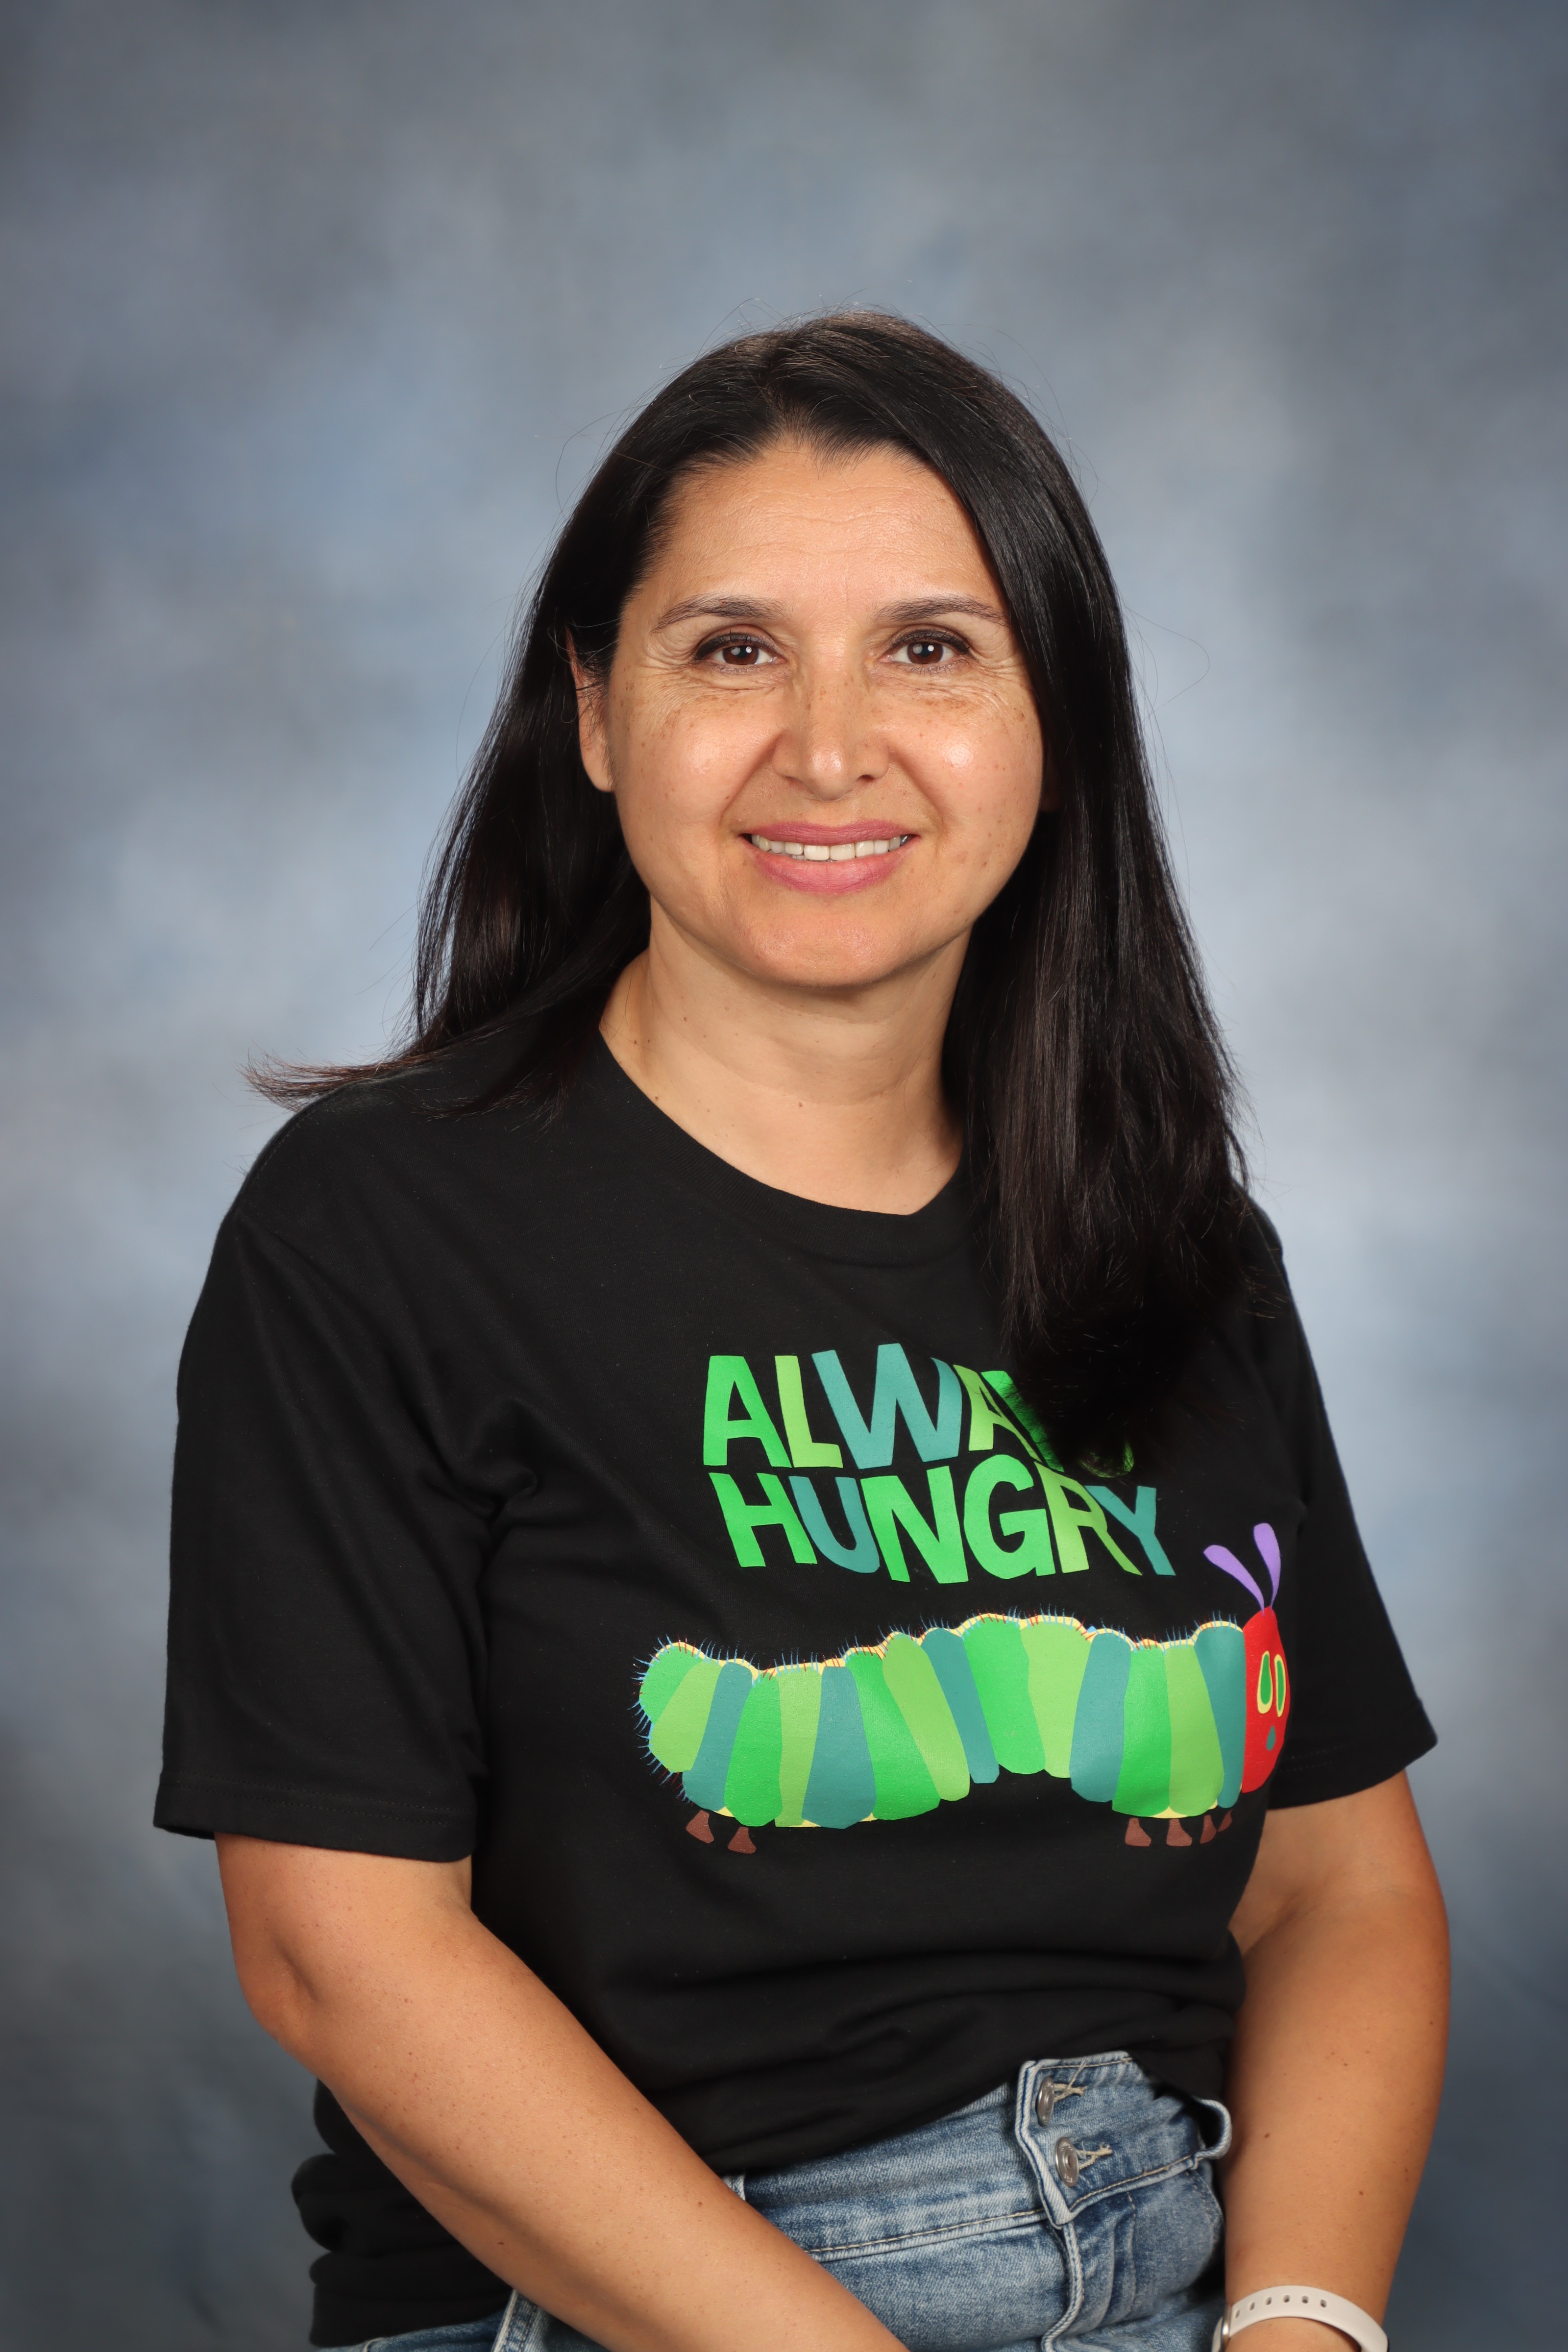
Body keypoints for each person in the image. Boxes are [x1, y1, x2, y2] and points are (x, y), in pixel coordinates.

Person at [156, 315, 1448, 2352]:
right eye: (732, 650)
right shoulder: (381, 1228)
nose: (828, 748)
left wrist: (1302, 2324)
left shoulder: (1183, 1251)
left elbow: (1336, 1893)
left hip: (1170, 2277)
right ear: (596, 712)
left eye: (930, 649)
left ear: (1053, 719)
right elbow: (343, 1953)